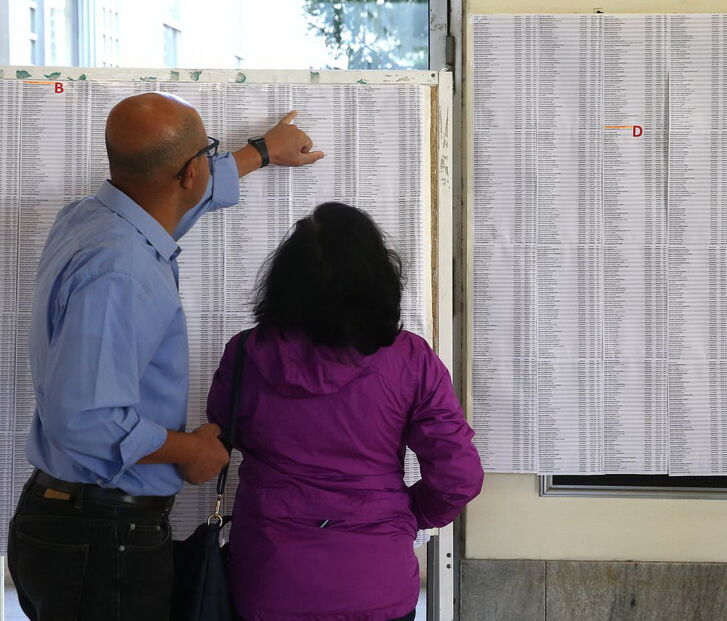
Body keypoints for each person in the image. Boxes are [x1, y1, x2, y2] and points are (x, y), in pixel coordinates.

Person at [7, 92, 325, 621]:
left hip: (76, 527)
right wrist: (189, 450)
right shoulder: (121, 272)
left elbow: (172, 202)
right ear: (189, 174)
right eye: (209, 153)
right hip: (102, 540)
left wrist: (261, 153)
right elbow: (85, 421)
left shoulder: (90, 218)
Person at [206, 202, 484, 621]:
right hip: (378, 584)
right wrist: (406, 515)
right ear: (379, 277)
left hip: (269, 581)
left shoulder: (246, 353)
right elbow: (459, 477)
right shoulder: (410, 359)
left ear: (285, 280)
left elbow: (222, 435)